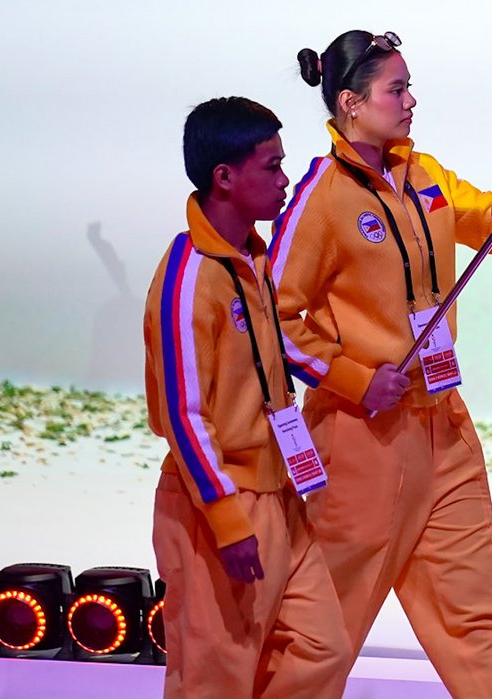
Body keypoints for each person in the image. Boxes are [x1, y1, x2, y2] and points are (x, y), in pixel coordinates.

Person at [269, 30, 492, 697]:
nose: (410, 99)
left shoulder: (422, 173)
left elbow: (480, 216)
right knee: (325, 628)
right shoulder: (321, 197)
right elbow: (274, 319)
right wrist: (357, 380)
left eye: (408, 85)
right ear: (350, 102)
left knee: (480, 619)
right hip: (359, 444)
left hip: (444, 431)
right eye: (396, 89)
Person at [144, 97, 350, 698]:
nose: (285, 180)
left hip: (280, 495)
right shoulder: (186, 279)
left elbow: (276, 362)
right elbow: (184, 418)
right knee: (216, 676)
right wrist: (228, 522)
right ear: (225, 178)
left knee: (322, 648)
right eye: (271, 166)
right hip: (218, 506)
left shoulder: (255, 258)